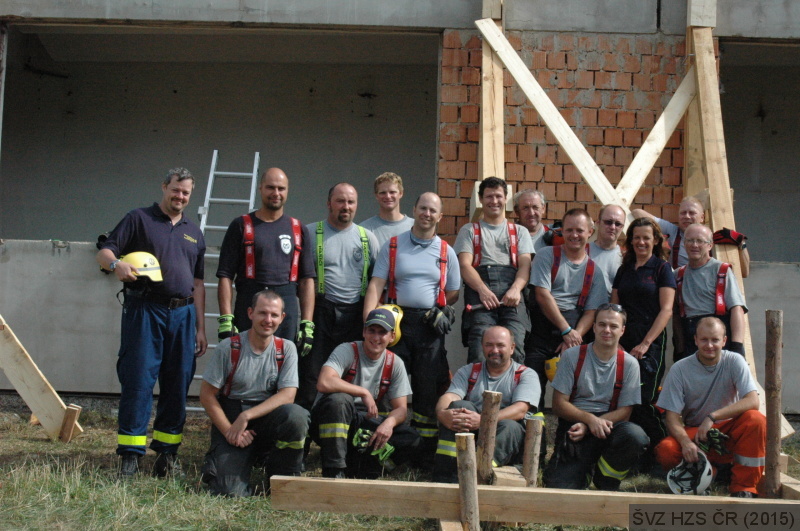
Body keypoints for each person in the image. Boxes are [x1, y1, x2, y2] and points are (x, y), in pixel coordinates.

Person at [96, 167, 207, 477]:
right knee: (138, 381)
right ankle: (130, 457)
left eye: (185, 192)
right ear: (164, 187)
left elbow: (198, 284)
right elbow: (104, 252)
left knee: (178, 384)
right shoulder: (138, 218)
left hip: (183, 315)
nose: (180, 196)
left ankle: (167, 456)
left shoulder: (194, 232)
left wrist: (200, 327)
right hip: (145, 310)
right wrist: (116, 265)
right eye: (176, 190)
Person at [363, 191, 460, 452]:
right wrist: (369, 322)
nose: (427, 214)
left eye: (432, 210)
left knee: (427, 386)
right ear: (414, 210)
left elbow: (453, 292)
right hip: (396, 323)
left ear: (440, 216)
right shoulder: (393, 245)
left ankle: (424, 450)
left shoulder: (447, 251)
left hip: (429, 325)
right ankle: (383, 444)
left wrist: (442, 308)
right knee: (388, 382)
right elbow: (376, 284)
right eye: (423, 208)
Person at [199, 290, 309, 497]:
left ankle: (282, 478)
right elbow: (206, 395)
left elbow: (288, 395)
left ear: (282, 318)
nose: (268, 320)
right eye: (262, 313)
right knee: (229, 492)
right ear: (250, 313)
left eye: (274, 315)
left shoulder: (286, 348)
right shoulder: (228, 348)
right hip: (232, 418)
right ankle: (235, 461)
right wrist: (230, 431)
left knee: (296, 416)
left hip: (264, 417)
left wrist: (247, 415)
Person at [654, 317, 765, 498]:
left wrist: (712, 417)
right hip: (697, 434)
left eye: (715, 340)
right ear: (695, 340)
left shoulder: (735, 361)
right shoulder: (679, 369)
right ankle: (712, 473)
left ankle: (744, 487)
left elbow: (753, 401)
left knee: (756, 419)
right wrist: (686, 443)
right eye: (704, 339)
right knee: (666, 450)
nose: (710, 345)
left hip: (729, 431)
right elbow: (671, 418)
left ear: (724, 341)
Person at [544, 303, 649, 491]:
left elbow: (625, 412)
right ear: (593, 327)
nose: (607, 330)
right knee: (560, 489)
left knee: (635, 436)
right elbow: (558, 405)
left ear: (622, 331)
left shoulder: (630, 364)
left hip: (609, 426)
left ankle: (606, 478)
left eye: (613, 326)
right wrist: (588, 420)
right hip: (575, 426)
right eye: (602, 324)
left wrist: (591, 425)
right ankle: (583, 471)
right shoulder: (572, 356)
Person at [216, 167, 316, 357]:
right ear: (260, 188)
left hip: (286, 308)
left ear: (287, 191)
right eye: (270, 187)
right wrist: (226, 318)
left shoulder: (298, 229)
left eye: (281, 188)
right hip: (249, 304)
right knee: (243, 364)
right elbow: (225, 275)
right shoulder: (241, 225)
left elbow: (307, 280)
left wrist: (307, 323)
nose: (276, 193)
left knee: (283, 365)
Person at [311, 307, 420, 479]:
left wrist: (388, 424)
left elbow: (401, 409)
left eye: (382, 332)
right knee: (339, 400)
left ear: (392, 336)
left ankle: (365, 468)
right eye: (372, 331)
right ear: (364, 332)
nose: (376, 338)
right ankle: (334, 471)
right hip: (331, 419)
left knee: (411, 438)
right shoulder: (347, 350)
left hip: (363, 423)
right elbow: (324, 381)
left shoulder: (395, 363)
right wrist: (363, 392)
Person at [299, 183, 379, 410]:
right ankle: (306, 424)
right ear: (329, 203)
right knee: (311, 374)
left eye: (351, 202)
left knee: (349, 374)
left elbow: (377, 282)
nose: (346, 206)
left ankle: (345, 422)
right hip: (320, 312)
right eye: (340, 201)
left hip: (355, 315)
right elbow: (301, 279)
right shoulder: (310, 233)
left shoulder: (367, 238)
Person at [525, 208, 608, 413]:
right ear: (562, 231)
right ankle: (534, 431)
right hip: (542, 332)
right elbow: (542, 295)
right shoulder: (546, 256)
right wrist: (566, 331)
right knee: (532, 388)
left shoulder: (594, 271)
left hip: (575, 335)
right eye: (569, 230)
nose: (574, 235)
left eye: (580, 230)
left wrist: (574, 337)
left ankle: (570, 432)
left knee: (574, 393)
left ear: (590, 232)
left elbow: (592, 311)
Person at [433, 326, 540, 483]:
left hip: (507, 439)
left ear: (512, 348)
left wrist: (483, 420)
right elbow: (450, 396)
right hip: (474, 433)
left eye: (500, 345)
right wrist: (442, 413)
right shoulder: (468, 371)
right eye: (489, 345)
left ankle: (479, 475)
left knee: (510, 426)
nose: (494, 350)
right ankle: (446, 475)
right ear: (482, 346)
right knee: (458, 407)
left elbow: (520, 410)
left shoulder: (525, 375)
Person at [611, 217, 676, 463]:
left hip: (650, 342)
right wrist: (616, 341)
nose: (641, 242)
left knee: (644, 399)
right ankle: (631, 454)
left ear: (656, 240)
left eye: (646, 238)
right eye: (636, 237)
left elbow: (666, 310)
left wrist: (646, 343)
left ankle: (659, 454)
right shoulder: (624, 269)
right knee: (623, 398)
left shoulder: (662, 269)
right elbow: (615, 307)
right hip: (623, 340)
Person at [455, 177, 533, 364]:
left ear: (506, 199)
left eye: (498, 196)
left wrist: (516, 289)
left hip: (512, 298)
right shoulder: (469, 230)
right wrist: (483, 290)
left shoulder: (519, 231)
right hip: (480, 297)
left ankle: (513, 384)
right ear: (481, 199)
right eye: (489, 196)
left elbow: (525, 266)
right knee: (479, 350)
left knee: (515, 348)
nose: (494, 201)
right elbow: (464, 265)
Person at [673, 224, 747, 362]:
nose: (694, 245)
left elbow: (737, 309)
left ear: (710, 245)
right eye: (690, 240)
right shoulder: (678, 275)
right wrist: (679, 349)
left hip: (718, 338)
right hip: (690, 339)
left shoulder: (721, 271)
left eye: (700, 241)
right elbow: (676, 315)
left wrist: (737, 347)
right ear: (684, 244)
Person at [632, 196, 750, 277]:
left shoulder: (713, 238)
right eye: (683, 213)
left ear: (702, 217)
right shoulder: (674, 231)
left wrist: (741, 243)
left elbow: (744, 273)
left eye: (692, 213)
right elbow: (637, 213)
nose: (687, 216)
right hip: (680, 288)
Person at [359, 172, 414, 248]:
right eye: (383, 193)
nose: (388, 196)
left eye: (392, 192)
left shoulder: (415, 227)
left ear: (401, 193)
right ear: (376, 195)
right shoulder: (365, 229)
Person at [589, 204, 625, 298]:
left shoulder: (626, 257)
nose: (613, 227)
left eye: (618, 224)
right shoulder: (582, 252)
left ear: (622, 228)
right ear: (598, 223)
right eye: (608, 222)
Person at [513, 189, 549, 254]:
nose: (531, 213)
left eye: (535, 207)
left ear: (543, 209)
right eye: (526, 208)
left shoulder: (554, 237)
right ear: (517, 211)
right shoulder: (508, 236)